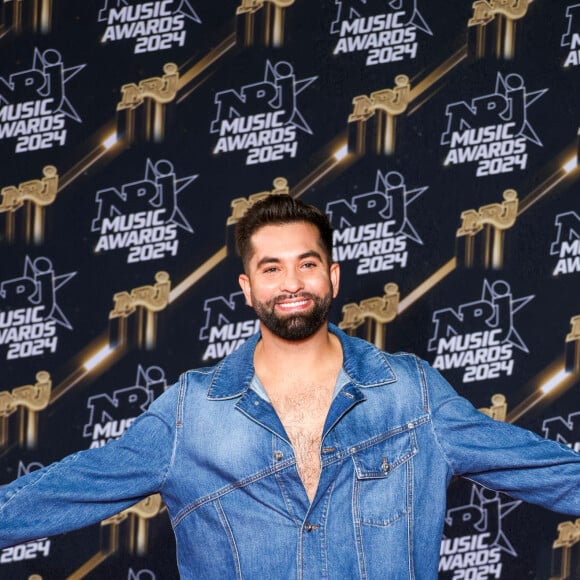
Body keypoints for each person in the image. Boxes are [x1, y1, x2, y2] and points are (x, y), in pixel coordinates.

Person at [0, 194, 579, 579]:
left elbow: (547, 471)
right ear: (247, 288)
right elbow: (65, 490)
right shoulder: (190, 412)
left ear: (332, 276)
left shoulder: (410, 394)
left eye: (307, 264)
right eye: (271, 269)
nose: (292, 283)